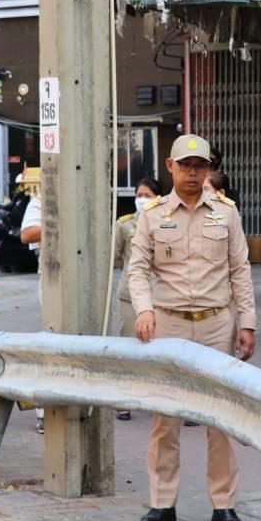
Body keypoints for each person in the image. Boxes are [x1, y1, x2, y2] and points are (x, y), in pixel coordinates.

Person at [127, 133, 257, 521]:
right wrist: (144, 309)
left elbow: (240, 269)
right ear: (171, 167)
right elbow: (137, 269)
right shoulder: (152, 215)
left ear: (209, 170)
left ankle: (224, 504)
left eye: (201, 166)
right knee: (165, 417)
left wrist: (247, 322)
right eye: (186, 165)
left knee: (220, 418)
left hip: (217, 324)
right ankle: (162, 502)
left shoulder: (226, 213)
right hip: (168, 325)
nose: (193, 173)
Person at [112, 177, 163, 420]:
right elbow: (114, 258)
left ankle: (159, 400)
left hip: (160, 296)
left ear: (158, 198)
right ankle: (124, 399)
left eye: (147, 195)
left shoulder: (167, 222)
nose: (142, 200)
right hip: (130, 296)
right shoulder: (124, 225)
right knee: (128, 347)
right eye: (139, 195)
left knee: (160, 349)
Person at [17, 167, 45, 433]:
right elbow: (26, 234)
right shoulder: (42, 199)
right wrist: (60, 222)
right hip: (54, 276)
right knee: (53, 339)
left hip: (87, 277)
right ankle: (44, 409)